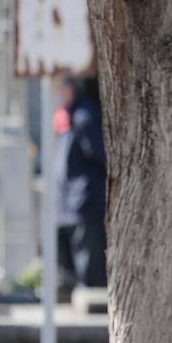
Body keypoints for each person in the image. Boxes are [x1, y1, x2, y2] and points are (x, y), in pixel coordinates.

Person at [53, 75, 108, 290]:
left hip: (83, 199)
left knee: (88, 258)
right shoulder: (67, 117)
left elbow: (100, 154)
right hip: (67, 202)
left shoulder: (84, 117)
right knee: (69, 258)